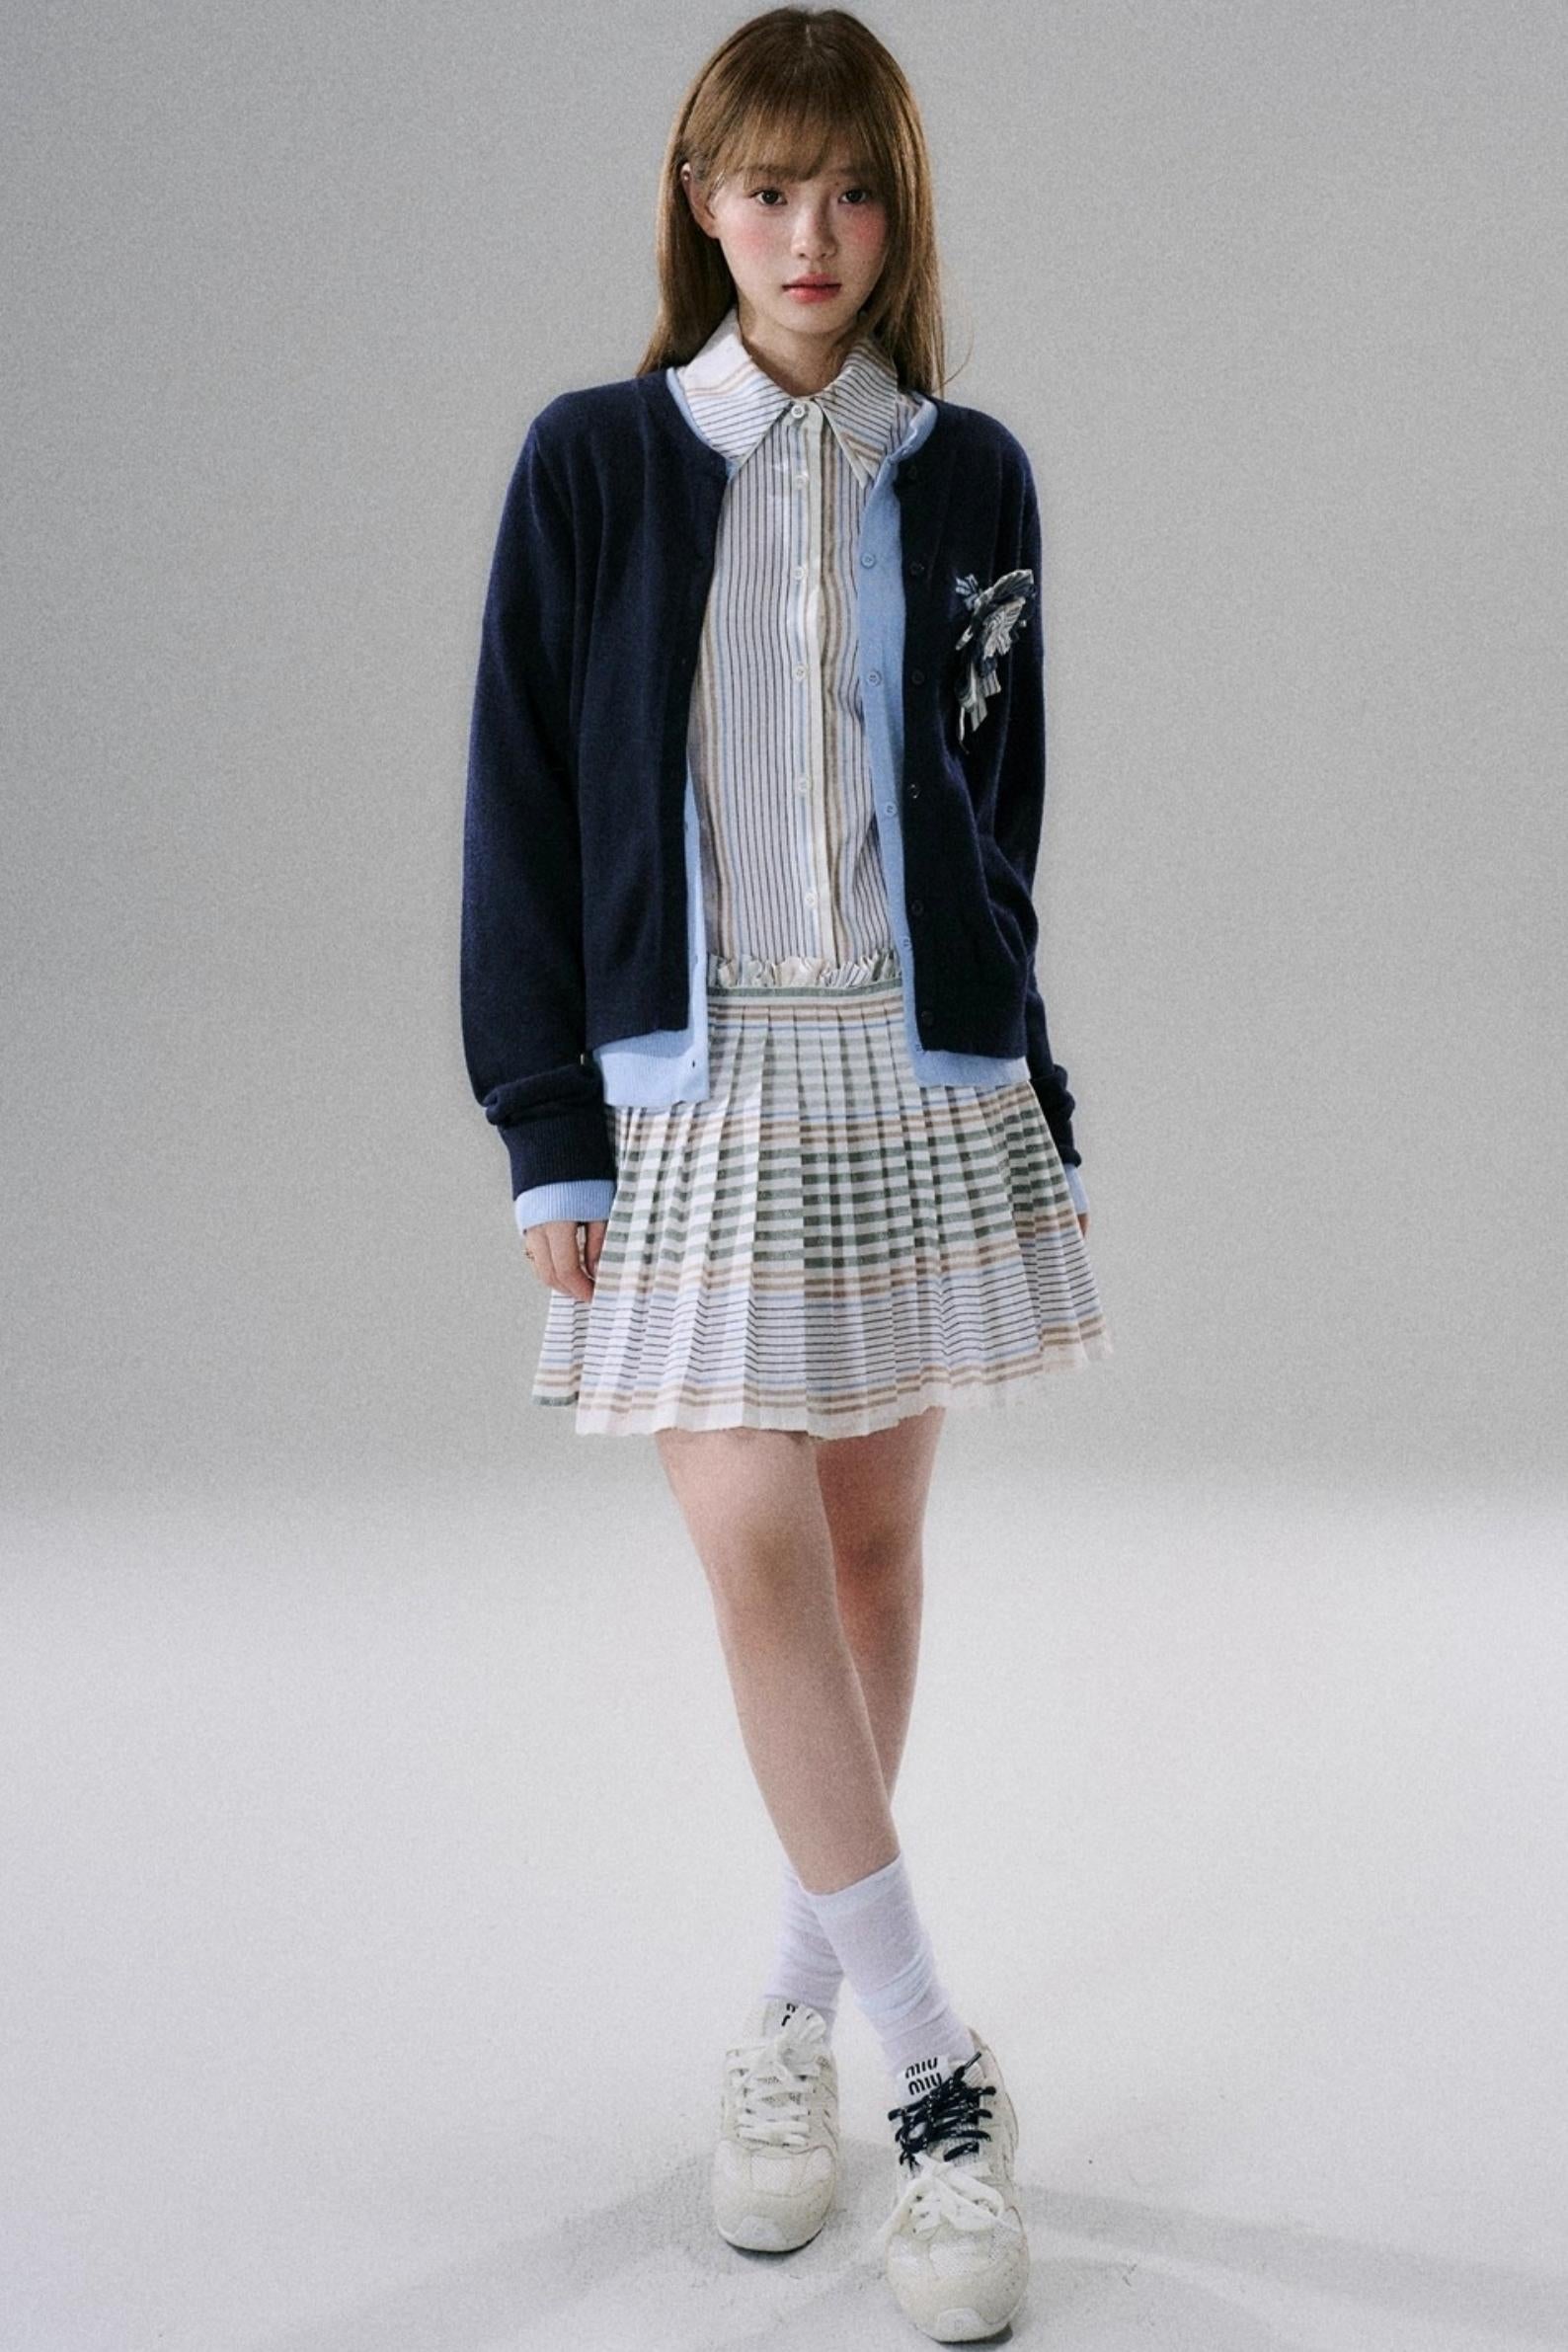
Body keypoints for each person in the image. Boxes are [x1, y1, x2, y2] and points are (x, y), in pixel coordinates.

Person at [460, 8, 1112, 2337]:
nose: (808, 236)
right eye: (764, 191)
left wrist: (1027, 1089)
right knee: (753, 1547)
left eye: (846, 192)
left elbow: (994, 814)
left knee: (863, 1550)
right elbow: (518, 806)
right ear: (698, 204)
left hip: (914, 1091)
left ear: (893, 209)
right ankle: (936, 2073)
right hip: (689, 1099)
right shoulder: (596, 462)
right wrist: (546, 1129)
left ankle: (787, 2014)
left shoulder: (972, 475)